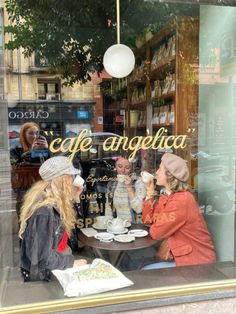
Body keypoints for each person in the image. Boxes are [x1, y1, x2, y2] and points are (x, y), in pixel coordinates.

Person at [141, 153, 216, 270]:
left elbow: (156, 233)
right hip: (180, 257)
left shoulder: (182, 200)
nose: (156, 172)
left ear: (169, 175)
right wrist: (150, 192)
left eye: (160, 169)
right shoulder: (166, 196)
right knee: (138, 262)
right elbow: (148, 220)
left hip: (196, 261)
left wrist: (158, 224)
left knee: (143, 271)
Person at [19, 156, 87, 281]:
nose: (74, 179)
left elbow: (66, 225)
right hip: (48, 273)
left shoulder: (53, 198)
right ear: (62, 180)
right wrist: (71, 262)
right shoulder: (44, 212)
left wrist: (76, 197)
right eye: (71, 176)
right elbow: (42, 258)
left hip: (59, 257)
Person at [10, 122, 50, 221]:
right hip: (24, 192)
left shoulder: (41, 149)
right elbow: (17, 167)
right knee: (25, 224)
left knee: (41, 224)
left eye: (36, 133)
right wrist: (32, 152)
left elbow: (50, 167)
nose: (34, 136)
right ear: (23, 134)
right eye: (31, 133)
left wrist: (47, 150)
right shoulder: (15, 151)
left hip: (41, 191)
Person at [106, 154, 146, 223]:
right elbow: (109, 209)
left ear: (132, 168)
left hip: (135, 227)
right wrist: (109, 223)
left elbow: (139, 209)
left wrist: (129, 187)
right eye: (120, 166)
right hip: (118, 226)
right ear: (115, 167)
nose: (123, 170)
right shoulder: (112, 184)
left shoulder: (138, 182)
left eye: (127, 167)